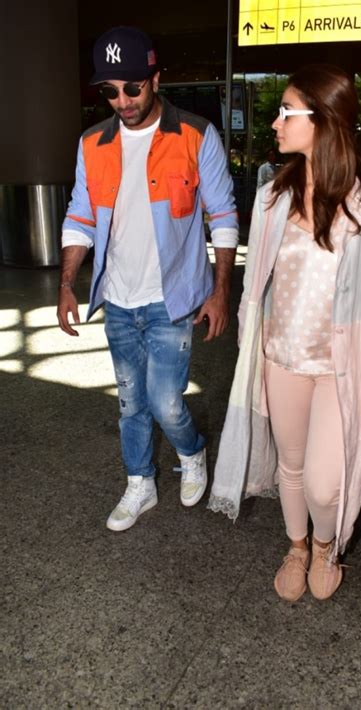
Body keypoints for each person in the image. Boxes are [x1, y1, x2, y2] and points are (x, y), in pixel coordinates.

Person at [208, 64, 361, 602]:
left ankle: (327, 544)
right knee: (291, 466)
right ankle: (298, 547)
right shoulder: (273, 195)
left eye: (285, 112)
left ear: (321, 121)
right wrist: (249, 344)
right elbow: (259, 283)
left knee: (327, 480)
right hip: (281, 355)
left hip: (339, 365)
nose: (275, 123)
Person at [57, 27, 238, 531]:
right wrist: (68, 282)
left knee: (164, 400)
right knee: (130, 402)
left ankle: (192, 451)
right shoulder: (92, 143)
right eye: (110, 91)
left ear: (156, 78)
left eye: (132, 87)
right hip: (117, 299)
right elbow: (81, 216)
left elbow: (222, 216)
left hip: (171, 299)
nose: (122, 100)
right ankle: (140, 483)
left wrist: (221, 291)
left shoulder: (196, 135)